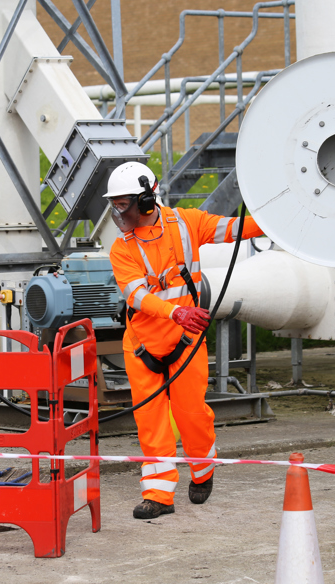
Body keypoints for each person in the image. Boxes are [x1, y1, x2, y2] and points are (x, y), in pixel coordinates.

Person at [105, 161, 264, 519]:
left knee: (192, 415)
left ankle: (202, 471)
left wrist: (278, 221)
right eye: (114, 204)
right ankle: (158, 496)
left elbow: (234, 228)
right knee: (151, 422)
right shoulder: (121, 249)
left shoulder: (186, 223)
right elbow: (136, 295)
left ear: (146, 200)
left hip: (185, 342)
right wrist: (175, 312)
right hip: (143, 345)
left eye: (122, 203)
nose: (117, 211)